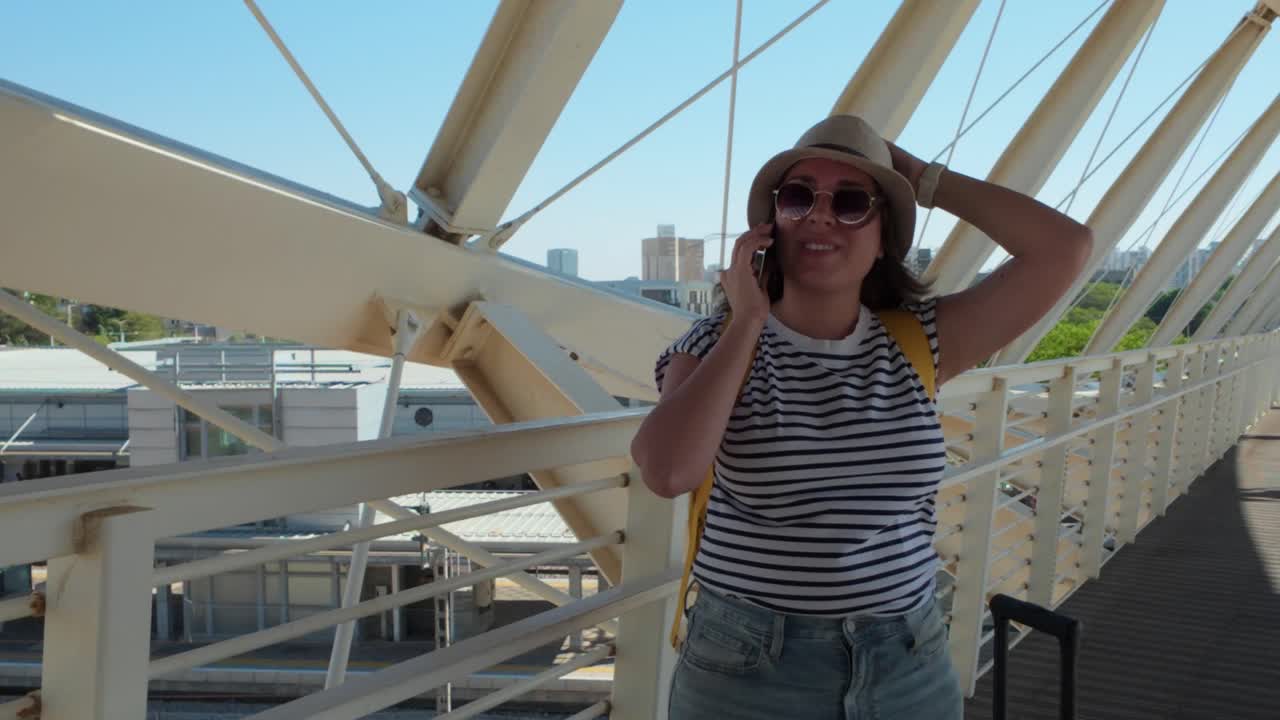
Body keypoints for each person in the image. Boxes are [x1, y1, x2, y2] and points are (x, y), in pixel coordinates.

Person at [630, 115, 1092, 720]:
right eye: (799, 197)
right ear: (770, 226)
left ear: (884, 238)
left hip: (907, 660)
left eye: (851, 203)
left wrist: (923, 180)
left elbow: (1066, 249)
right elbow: (668, 471)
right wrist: (747, 320)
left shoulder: (919, 342)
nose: (820, 215)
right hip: (750, 670)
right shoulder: (716, 342)